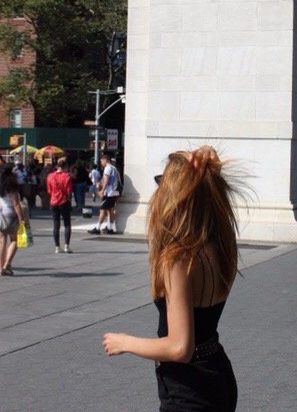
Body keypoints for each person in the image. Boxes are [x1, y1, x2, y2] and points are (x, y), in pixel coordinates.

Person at [100, 146, 239, 412]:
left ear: (173, 194)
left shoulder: (178, 257)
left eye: (162, 183)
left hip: (189, 389)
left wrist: (124, 342)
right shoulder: (220, 243)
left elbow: (180, 347)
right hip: (218, 373)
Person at [0, 161, 25, 277]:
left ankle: (0, 268)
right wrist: (21, 218)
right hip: (9, 213)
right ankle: (7, 264)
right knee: (15, 239)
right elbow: (16, 204)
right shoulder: (12, 186)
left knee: (0, 241)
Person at [47, 154, 75, 254]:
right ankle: (67, 246)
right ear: (65, 167)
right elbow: (69, 191)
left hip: (53, 201)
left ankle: (57, 247)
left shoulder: (50, 176)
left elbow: (49, 191)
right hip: (64, 201)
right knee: (67, 224)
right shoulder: (67, 176)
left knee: (56, 224)